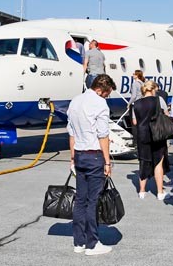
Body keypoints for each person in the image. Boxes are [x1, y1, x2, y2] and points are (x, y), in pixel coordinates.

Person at [67, 74, 116, 255]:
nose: (107, 97)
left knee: (80, 200)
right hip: (94, 155)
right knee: (92, 201)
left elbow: (71, 133)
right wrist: (107, 162)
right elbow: (103, 135)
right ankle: (92, 244)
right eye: (107, 93)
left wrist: (72, 158)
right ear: (99, 90)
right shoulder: (99, 103)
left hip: (79, 154)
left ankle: (78, 242)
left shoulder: (75, 101)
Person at [132, 80, 172, 200]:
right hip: (157, 135)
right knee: (158, 162)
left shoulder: (136, 103)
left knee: (143, 162)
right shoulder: (159, 100)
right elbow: (166, 114)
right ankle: (160, 192)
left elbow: (134, 122)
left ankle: (142, 191)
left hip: (143, 135)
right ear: (153, 89)